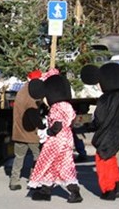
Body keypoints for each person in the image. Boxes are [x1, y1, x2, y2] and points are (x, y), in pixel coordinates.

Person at [28, 74, 83, 203]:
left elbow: (57, 125)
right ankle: (45, 190)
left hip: (57, 140)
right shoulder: (68, 105)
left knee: (54, 163)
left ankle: (74, 191)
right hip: (67, 138)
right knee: (56, 164)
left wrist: (47, 132)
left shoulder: (56, 107)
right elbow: (71, 121)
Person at [82, 63, 119, 200]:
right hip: (117, 134)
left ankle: (108, 190)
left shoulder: (105, 99)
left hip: (105, 135)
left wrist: (88, 126)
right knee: (111, 159)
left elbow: (99, 119)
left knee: (102, 163)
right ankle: (117, 184)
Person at [8, 70, 46, 191]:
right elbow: (33, 115)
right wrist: (42, 127)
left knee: (19, 157)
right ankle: (34, 179)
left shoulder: (22, 91)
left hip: (19, 130)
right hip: (31, 133)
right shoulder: (32, 94)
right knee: (38, 156)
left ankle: (14, 181)